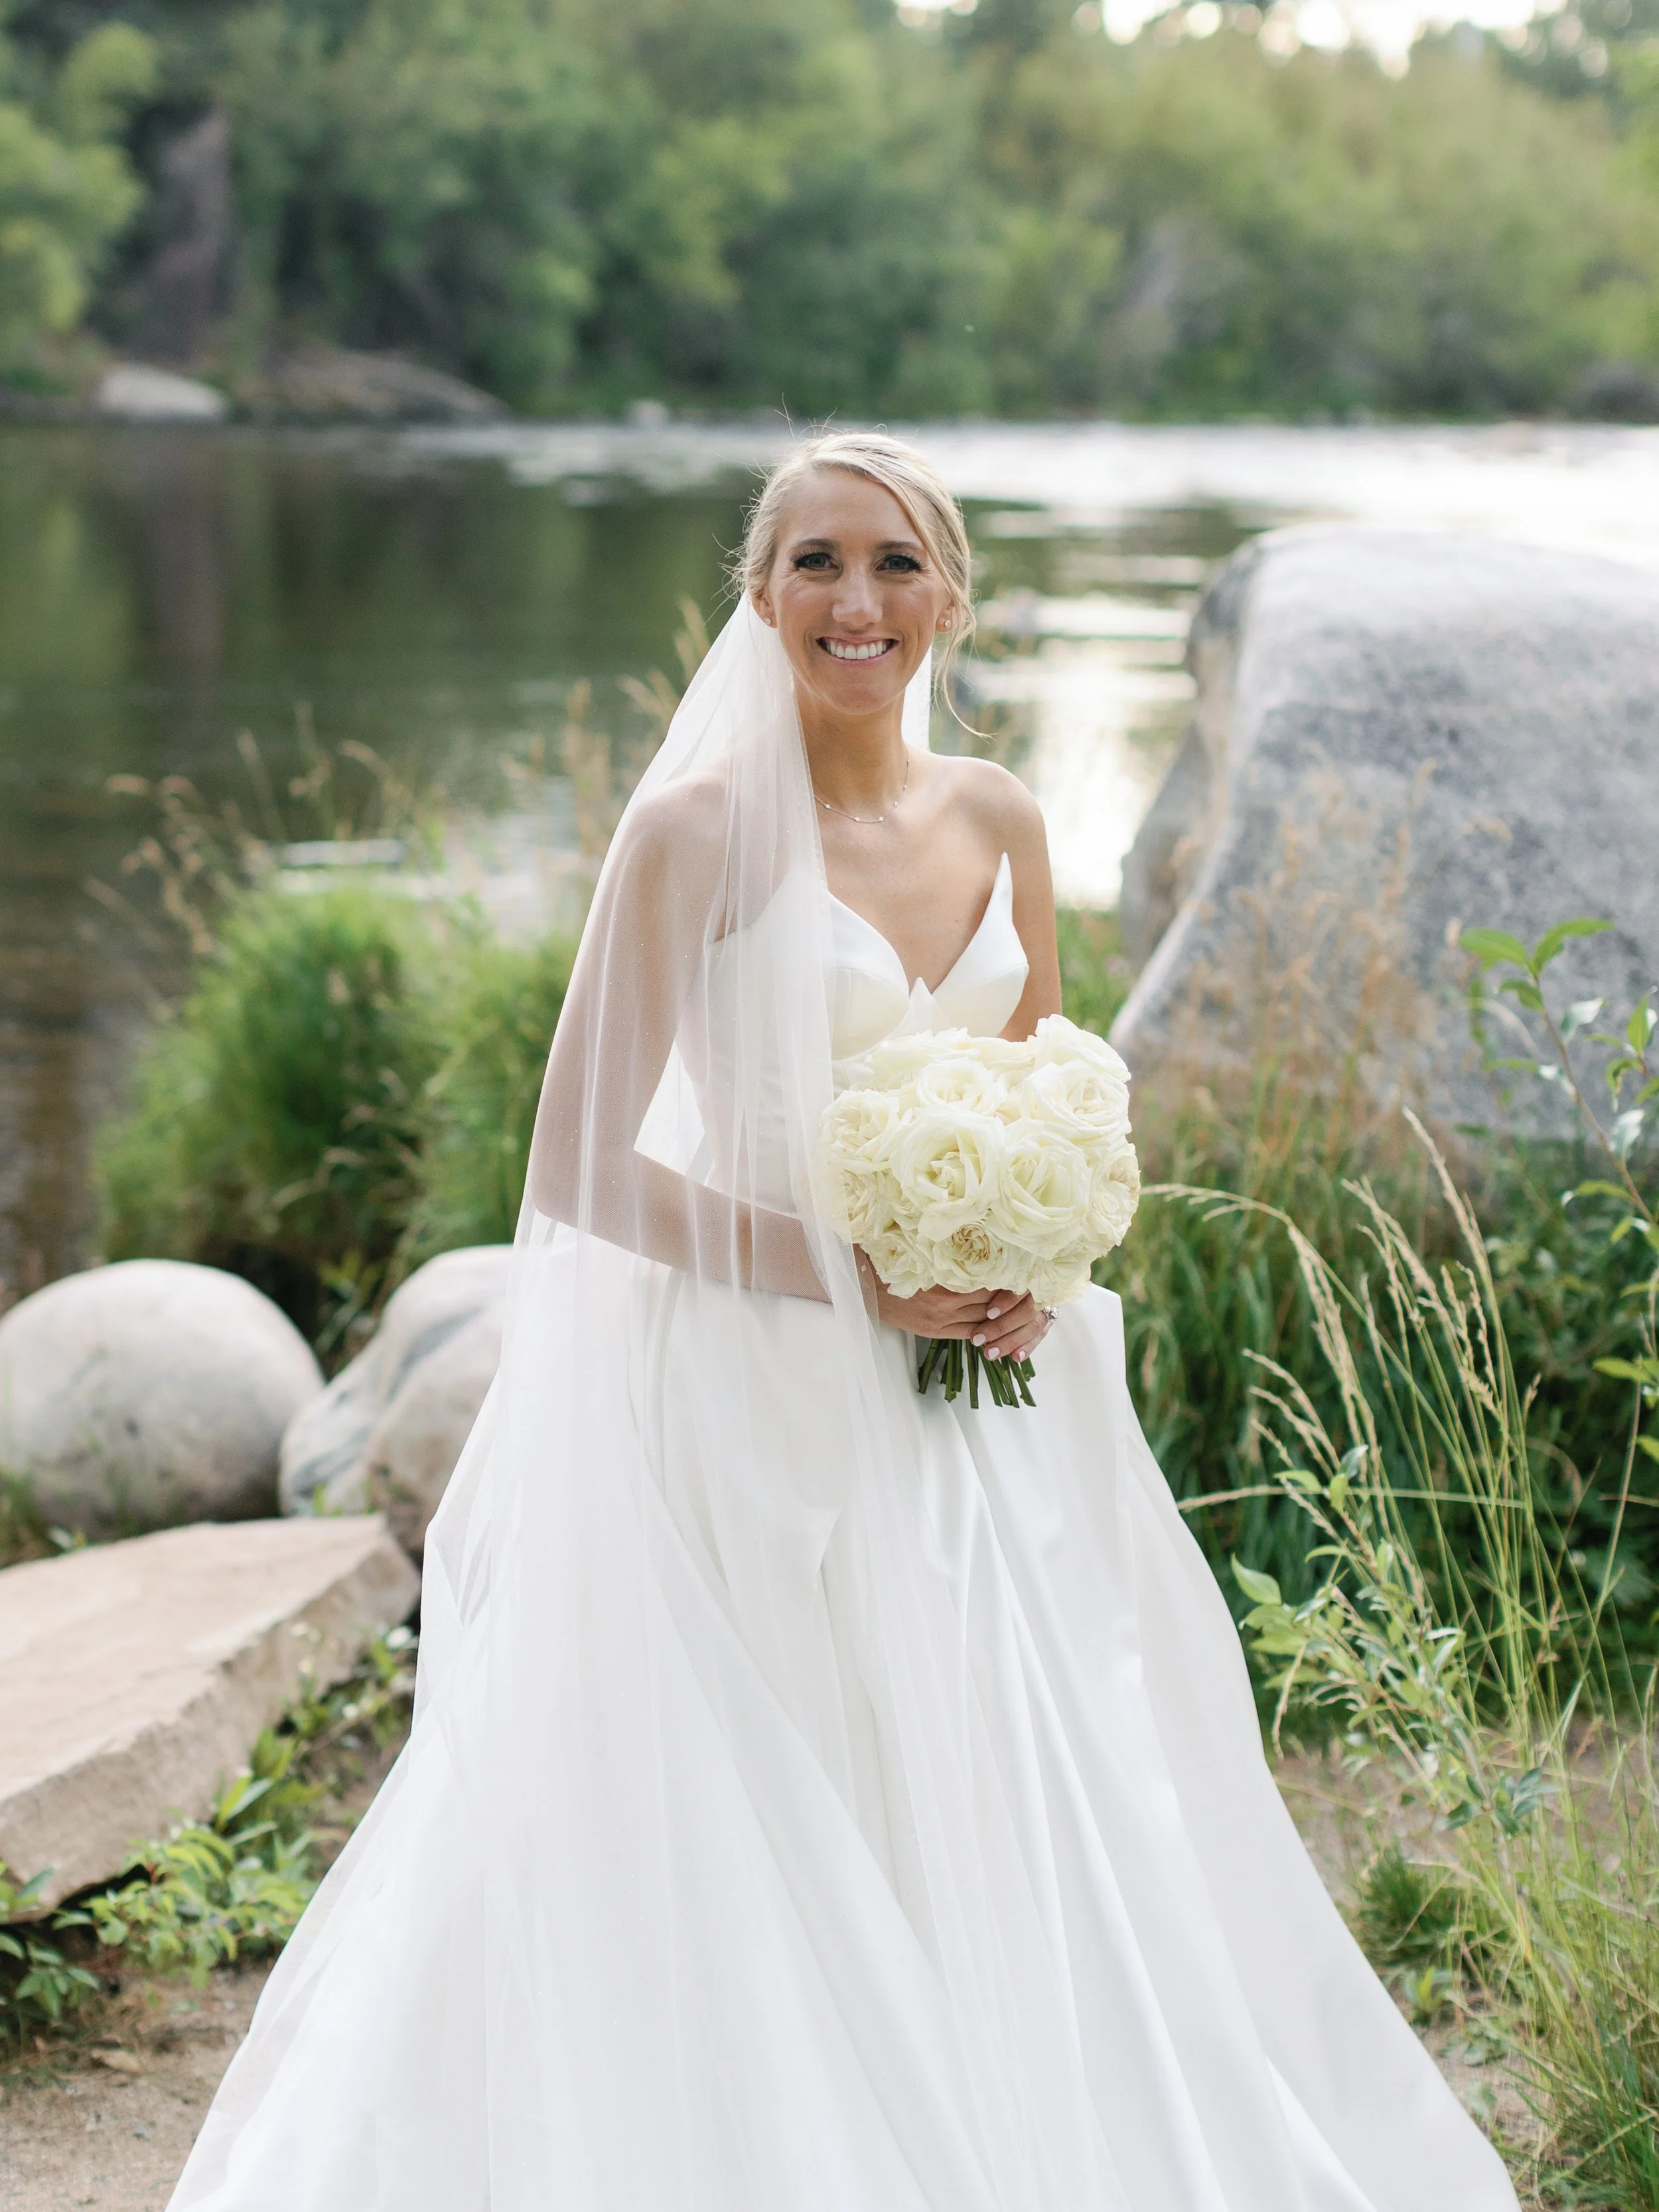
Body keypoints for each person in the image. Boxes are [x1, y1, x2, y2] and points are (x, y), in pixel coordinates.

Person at [169, 433, 1520, 2212]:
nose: (852, 598)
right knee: (762, 1806)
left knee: (997, 1781)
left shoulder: (1002, 819)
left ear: (947, 593)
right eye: (812, 561)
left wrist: (1040, 1263)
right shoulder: (697, 832)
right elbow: (580, 1160)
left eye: (890, 561)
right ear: (760, 595)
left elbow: (1052, 1088)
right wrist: (845, 1272)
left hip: (984, 1402)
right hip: (750, 1385)